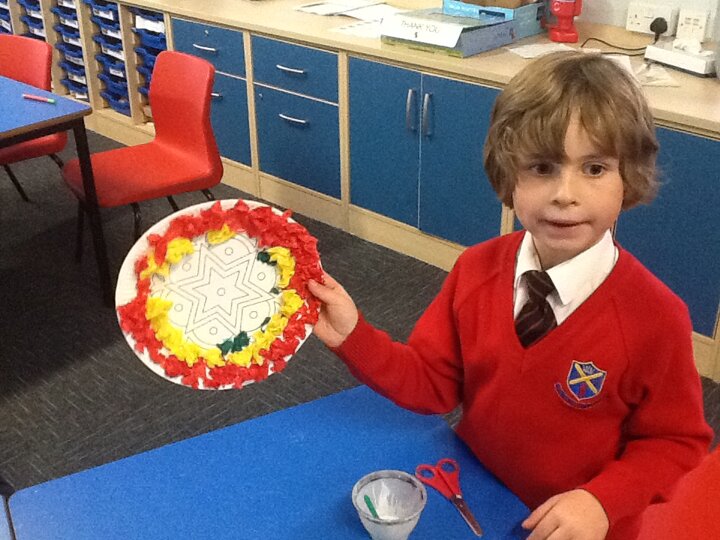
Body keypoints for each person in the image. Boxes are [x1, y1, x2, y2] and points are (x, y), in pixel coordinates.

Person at [308, 51, 712, 540]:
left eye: (595, 168)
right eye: (542, 167)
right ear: (508, 175)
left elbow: (676, 439)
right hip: (477, 492)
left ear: (629, 178)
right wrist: (353, 336)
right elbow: (433, 384)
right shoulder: (476, 270)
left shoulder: (656, 316)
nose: (565, 193)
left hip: (579, 527)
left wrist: (604, 501)